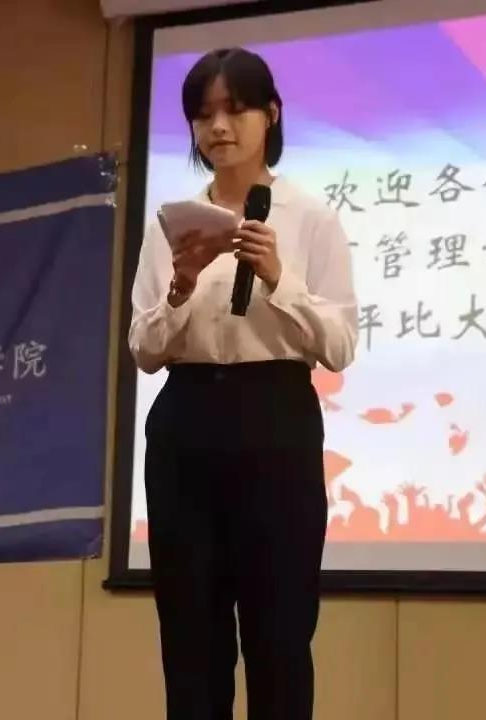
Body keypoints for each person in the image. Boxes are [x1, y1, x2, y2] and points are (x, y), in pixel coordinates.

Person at [128, 48, 358, 720]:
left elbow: (340, 345)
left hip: (276, 419)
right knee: (191, 638)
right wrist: (180, 287)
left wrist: (281, 279)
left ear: (271, 114)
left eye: (235, 109)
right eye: (203, 115)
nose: (219, 127)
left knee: (278, 634)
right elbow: (143, 349)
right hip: (187, 422)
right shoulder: (172, 224)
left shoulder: (311, 217)